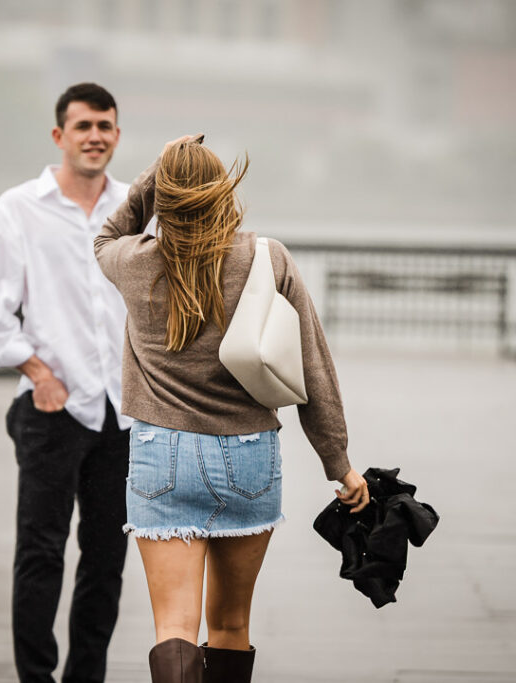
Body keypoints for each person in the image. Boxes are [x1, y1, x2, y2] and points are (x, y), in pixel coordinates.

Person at [93, 135, 371, 683]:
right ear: (223, 192)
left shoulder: (133, 262)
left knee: (173, 624)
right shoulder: (266, 257)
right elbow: (314, 368)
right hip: (247, 458)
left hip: (161, 457)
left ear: (164, 200)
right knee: (229, 624)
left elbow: (107, 233)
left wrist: (156, 172)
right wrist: (337, 462)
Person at [0, 83, 131, 683]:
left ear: (117, 135)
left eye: (106, 126)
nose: (95, 136)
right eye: (83, 126)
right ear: (60, 135)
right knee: (41, 554)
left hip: (122, 413)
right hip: (51, 408)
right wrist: (37, 372)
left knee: (106, 559)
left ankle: (86, 678)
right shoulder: (17, 208)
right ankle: (36, 678)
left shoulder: (135, 210)